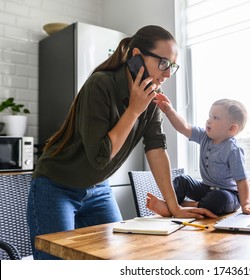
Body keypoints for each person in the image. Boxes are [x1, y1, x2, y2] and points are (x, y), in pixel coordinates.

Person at [27, 25, 216, 260]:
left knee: (117, 260)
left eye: (173, 66)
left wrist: (174, 206)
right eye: (164, 63)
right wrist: (134, 111)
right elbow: (100, 157)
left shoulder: (151, 98)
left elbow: (156, 149)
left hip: (98, 189)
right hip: (56, 187)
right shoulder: (100, 85)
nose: (168, 74)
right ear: (137, 56)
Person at [147, 96, 250, 216]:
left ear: (231, 128)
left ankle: (185, 206)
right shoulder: (204, 136)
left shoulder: (233, 150)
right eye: (210, 116)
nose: (209, 121)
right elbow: (184, 127)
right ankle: (172, 206)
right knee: (181, 180)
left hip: (228, 194)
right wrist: (169, 111)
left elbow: (241, 180)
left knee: (218, 198)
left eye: (215, 118)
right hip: (206, 188)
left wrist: (246, 204)